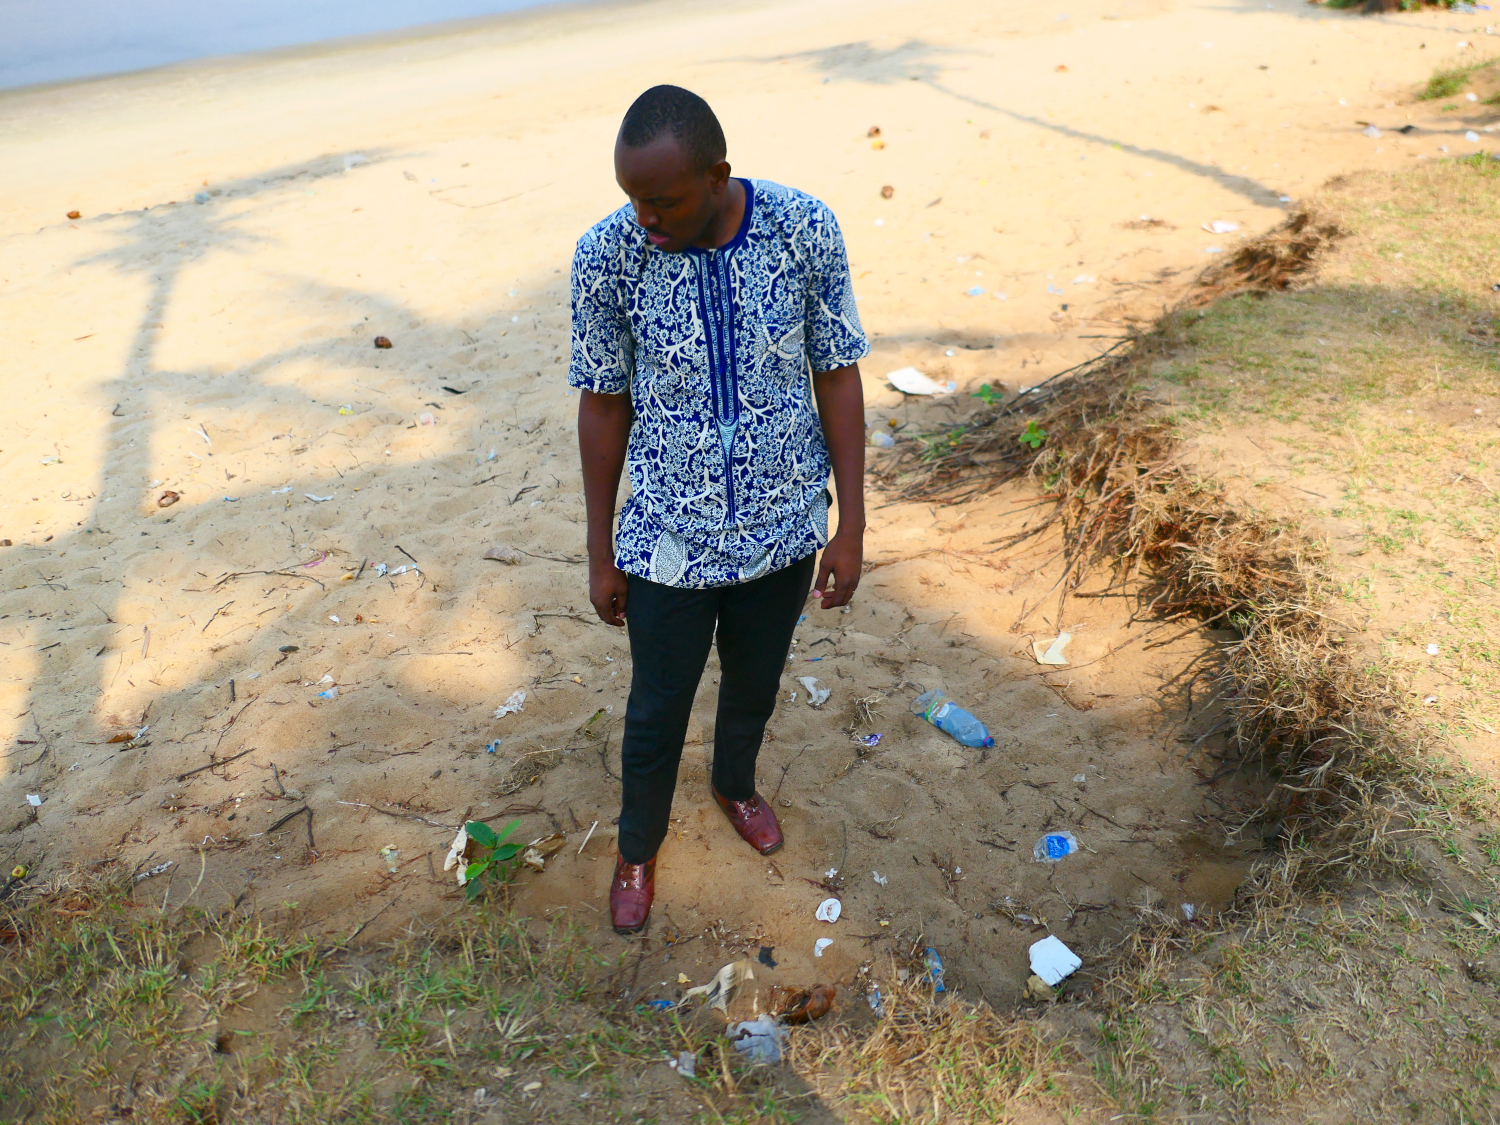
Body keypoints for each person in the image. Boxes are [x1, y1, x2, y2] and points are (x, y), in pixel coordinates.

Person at [569, 85, 869, 934]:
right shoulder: (607, 257)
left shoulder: (804, 229)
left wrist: (849, 522)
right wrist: (601, 553)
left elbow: (837, 371)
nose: (645, 219)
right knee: (656, 707)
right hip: (670, 535)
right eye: (632, 198)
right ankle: (637, 846)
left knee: (753, 687)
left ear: (716, 176)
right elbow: (602, 404)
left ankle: (734, 786)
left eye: (661, 201)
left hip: (783, 526)